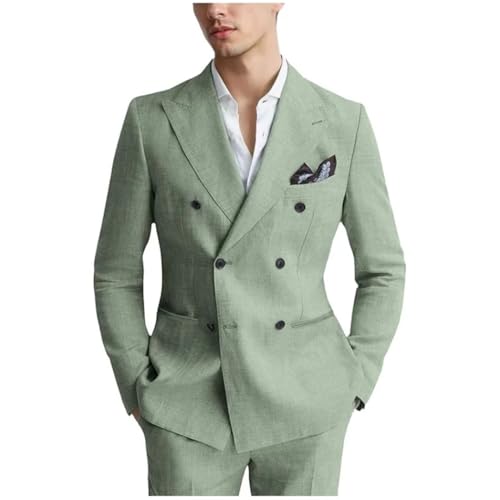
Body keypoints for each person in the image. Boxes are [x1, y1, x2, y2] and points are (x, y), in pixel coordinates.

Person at [93, 2, 406, 495]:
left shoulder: (342, 122)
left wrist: (356, 377)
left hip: (308, 402)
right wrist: (136, 383)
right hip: (186, 402)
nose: (216, 9)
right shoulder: (151, 120)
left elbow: (383, 268)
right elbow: (116, 270)